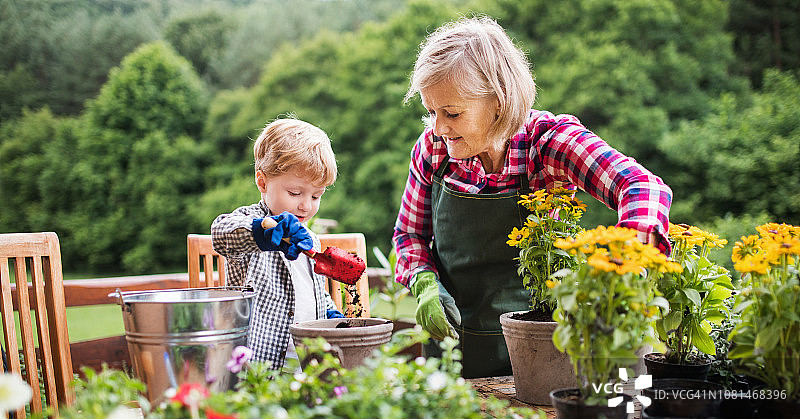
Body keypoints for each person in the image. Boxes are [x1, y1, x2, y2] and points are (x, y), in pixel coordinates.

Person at [393, 17, 673, 378]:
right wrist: (424, 283)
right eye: (431, 112)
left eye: (452, 113)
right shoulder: (433, 149)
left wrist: (625, 258)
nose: (439, 127)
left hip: (543, 354)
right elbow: (409, 235)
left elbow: (641, 187)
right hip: (453, 349)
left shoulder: (549, 144)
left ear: (498, 101)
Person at [212, 118, 344, 372]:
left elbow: (315, 291)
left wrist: (332, 317)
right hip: (260, 367)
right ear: (262, 182)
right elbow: (222, 233)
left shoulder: (309, 239)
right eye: (295, 193)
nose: (306, 205)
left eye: (316, 196)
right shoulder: (252, 225)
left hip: (306, 367)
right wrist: (264, 230)